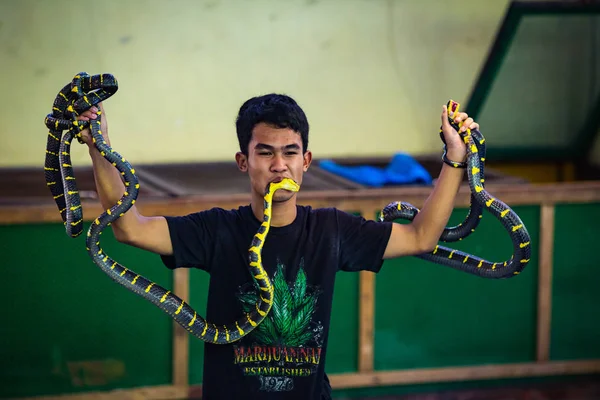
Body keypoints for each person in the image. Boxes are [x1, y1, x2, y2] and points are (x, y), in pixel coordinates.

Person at [77, 94, 479, 399]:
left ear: (305, 161)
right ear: (243, 161)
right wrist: (100, 145)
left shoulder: (331, 229)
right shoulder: (218, 229)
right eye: (264, 153)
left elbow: (421, 236)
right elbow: (129, 228)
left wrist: (455, 158)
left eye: (289, 153)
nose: (278, 166)